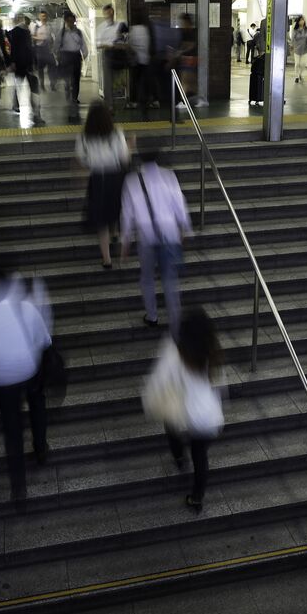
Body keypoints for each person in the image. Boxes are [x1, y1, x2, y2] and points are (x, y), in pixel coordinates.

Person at [0, 270, 51, 502]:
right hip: (29, 368)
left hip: (3, 376)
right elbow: (45, 340)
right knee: (37, 401)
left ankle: (19, 488)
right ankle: (40, 447)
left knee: (12, 429)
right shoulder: (27, 307)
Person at [142, 308, 224, 511]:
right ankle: (197, 498)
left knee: (170, 424)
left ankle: (179, 457)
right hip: (209, 418)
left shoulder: (175, 352)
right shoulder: (211, 351)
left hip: (185, 412)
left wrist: (149, 400)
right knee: (200, 456)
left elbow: (159, 381)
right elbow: (220, 384)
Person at [121, 147, 192, 330]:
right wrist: (184, 228)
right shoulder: (168, 176)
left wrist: (125, 240)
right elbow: (179, 202)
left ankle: (152, 316)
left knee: (147, 278)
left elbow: (127, 213)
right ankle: (175, 321)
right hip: (169, 235)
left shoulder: (131, 180)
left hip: (146, 238)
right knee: (169, 279)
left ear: (140, 159)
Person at [76, 101, 130, 269]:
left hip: (98, 178)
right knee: (115, 207)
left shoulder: (84, 137)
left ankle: (107, 259)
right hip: (116, 177)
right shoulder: (117, 133)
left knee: (101, 220)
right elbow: (124, 159)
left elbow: (82, 159)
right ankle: (115, 233)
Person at [7, 15, 44, 125]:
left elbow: (13, 49)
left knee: (18, 85)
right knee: (33, 89)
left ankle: (16, 104)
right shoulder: (24, 32)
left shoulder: (15, 32)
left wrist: (13, 62)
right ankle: (36, 113)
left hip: (20, 64)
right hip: (27, 64)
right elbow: (29, 49)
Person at [59, 11, 89, 113]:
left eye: (72, 20)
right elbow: (56, 45)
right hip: (65, 57)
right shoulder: (62, 33)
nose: (70, 22)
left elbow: (83, 45)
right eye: (68, 20)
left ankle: (74, 98)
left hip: (76, 57)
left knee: (76, 79)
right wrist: (58, 57)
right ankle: (69, 96)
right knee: (67, 79)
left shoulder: (79, 32)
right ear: (65, 21)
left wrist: (84, 55)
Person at [96, 3, 124, 109]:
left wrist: (121, 44)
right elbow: (98, 45)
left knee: (120, 81)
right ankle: (110, 105)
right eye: (107, 12)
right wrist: (111, 45)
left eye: (111, 11)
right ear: (104, 14)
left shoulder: (120, 25)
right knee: (108, 81)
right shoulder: (101, 28)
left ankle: (121, 102)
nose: (110, 14)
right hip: (108, 54)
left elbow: (125, 40)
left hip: (120, 55)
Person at [129, 11, 156, 118]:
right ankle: (146, 101)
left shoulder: (132, 30)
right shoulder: (146, 29)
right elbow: (149, 44)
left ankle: (136, 101)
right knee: (144, 83)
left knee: (136, 81)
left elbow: (129, 44)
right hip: (146, 60)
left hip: (136, 61)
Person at [174, 13, 201, 108]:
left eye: (182, 22)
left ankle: (183, 101)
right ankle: (198, 100)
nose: (181, 24)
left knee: (184, 81)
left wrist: (180, 51)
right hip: (193, 58)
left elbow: (190, 45)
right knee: (191, 81)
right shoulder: (192, 31)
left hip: (187, 58)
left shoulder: (187, 32)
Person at [32, 10, 57, 93]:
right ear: (40, 17)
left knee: (52, 67)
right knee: (40, 69)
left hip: (48, 50)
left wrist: (53, 44)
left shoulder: (49, 26)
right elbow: (32, 37)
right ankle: (42, 85)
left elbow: (53, 36)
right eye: (42, 16)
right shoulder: (36, 27)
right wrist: (41, 38)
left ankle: (52, 85)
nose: (44, 17)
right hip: (40, 49)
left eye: (45, 16)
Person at [290, 16, 307, 84]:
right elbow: (293, 38)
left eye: (303, 20)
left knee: (303, 64)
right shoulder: (295, 29)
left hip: (304, 49)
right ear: (298, 21)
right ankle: (297, 76)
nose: (302, 21)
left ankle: (300, 74)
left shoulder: (306, 29)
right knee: (297, 64)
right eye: (301, 20)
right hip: (297, 49)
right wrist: (292, 45)